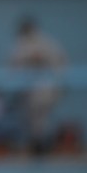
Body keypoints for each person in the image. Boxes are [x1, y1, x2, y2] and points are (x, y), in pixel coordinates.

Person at [8, 16, 67, 155]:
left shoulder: (46, 42)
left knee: (42, 121)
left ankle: (43, 148)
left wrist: (40, 59)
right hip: (28, 91)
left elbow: (60, 63)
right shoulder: (20, 44)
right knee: (31, 122)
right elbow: (13, 66)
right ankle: (36, 148)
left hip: (45, 89)